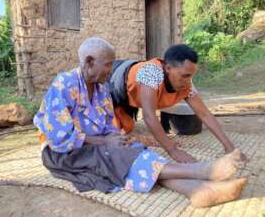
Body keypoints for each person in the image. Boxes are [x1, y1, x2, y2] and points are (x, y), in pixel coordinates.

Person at [33, 37, 247, 208]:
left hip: (92, 146)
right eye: (108, 65)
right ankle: (202, 171)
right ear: (89, 62)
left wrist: (116, 137)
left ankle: (198, 192)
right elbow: (59, 139)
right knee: (116, 155)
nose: (110, 70)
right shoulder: (64, 84)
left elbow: (108, 127)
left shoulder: (101, 90)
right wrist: (105, 143)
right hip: (63, 153)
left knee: (132, 148)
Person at [109, 45, 247, 163]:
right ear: (167, 68)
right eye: (185, 76)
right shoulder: (151, 72)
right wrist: (172, 150)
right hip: (112, 81)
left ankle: (125, 119)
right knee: (114, 137)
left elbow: (204, 114)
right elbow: (149, 116)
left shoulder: (187, 83)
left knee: (128, 127)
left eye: (190, 76)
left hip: (130, 93)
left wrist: (230, 147)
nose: (188, 81)